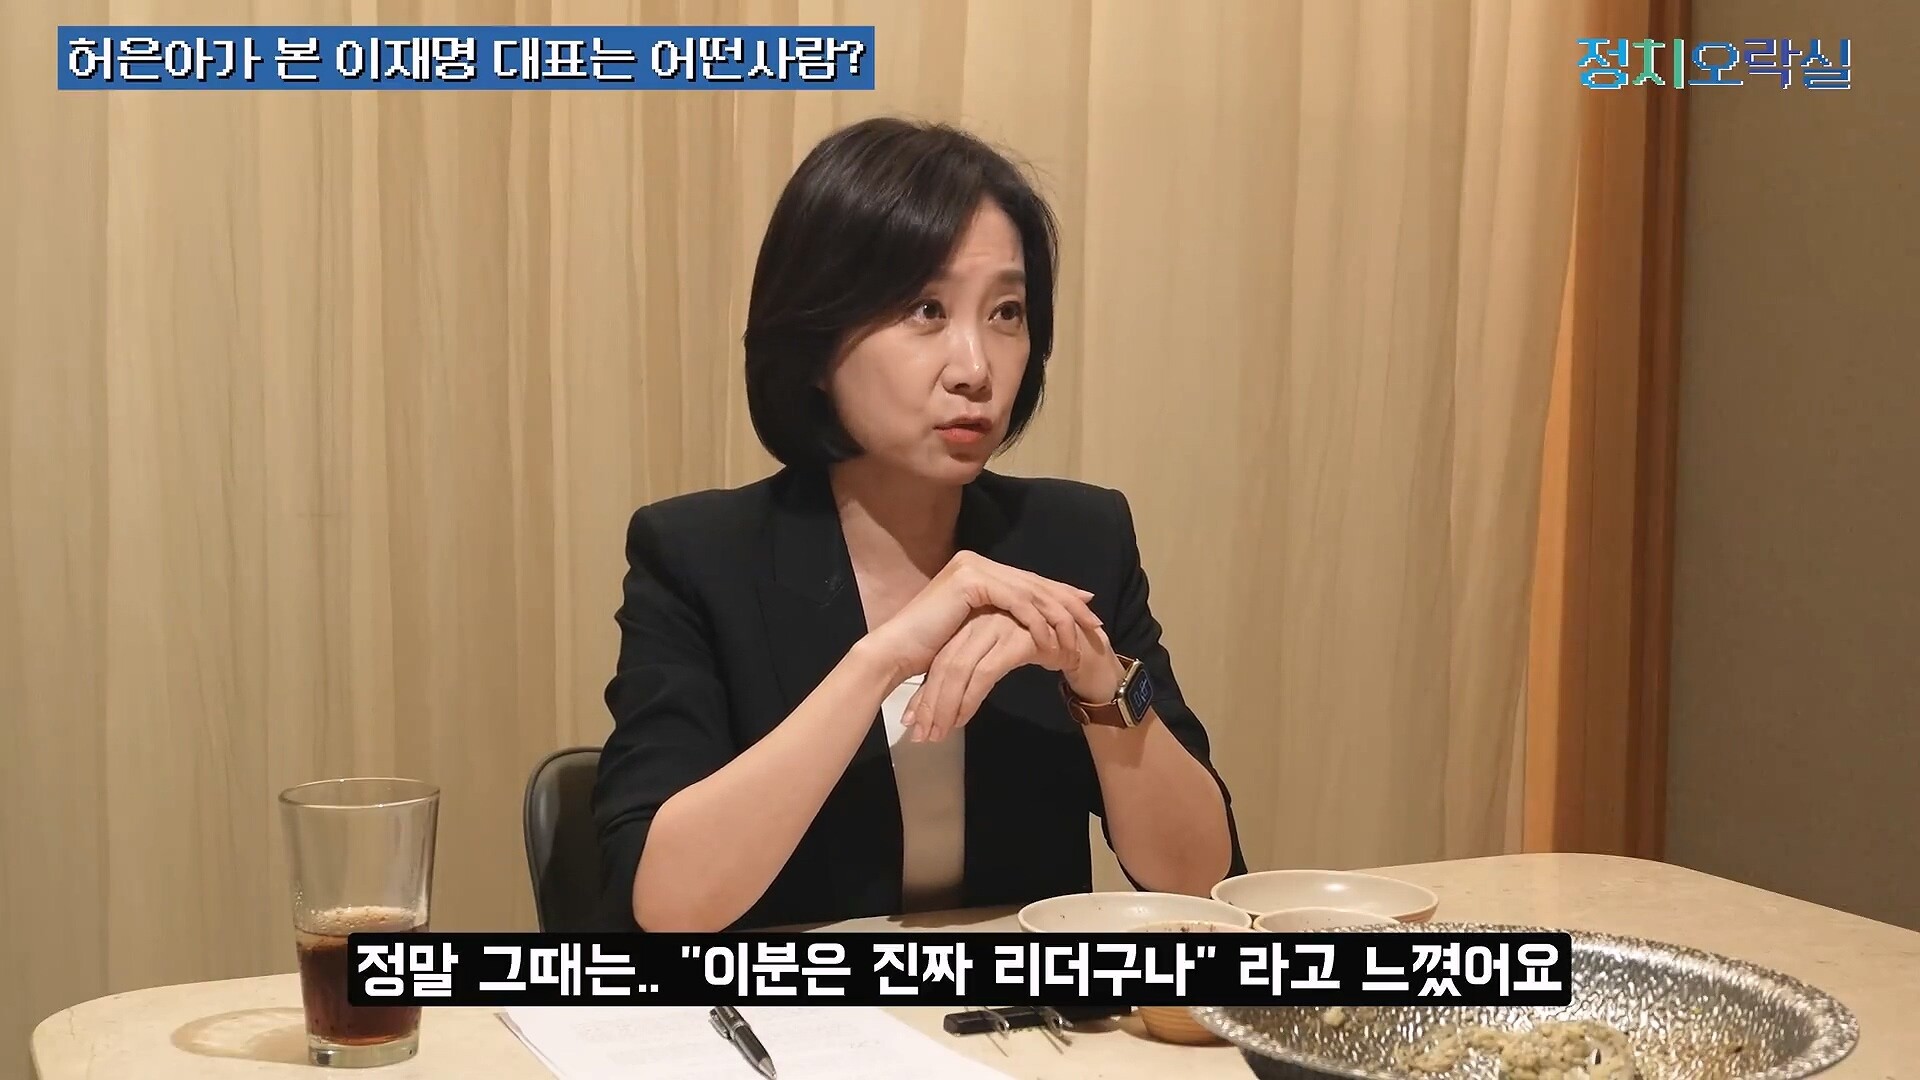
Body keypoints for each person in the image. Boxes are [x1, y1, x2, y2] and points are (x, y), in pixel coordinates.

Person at [590, 116, 1245, 933]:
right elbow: (661, 906)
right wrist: (883, 659)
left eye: (1007, 312)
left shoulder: (1077, 537)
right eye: (926, 309)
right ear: (816, 340)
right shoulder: (698, 557)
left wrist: (1097, 674)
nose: (975, 369)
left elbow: (1201, 880)